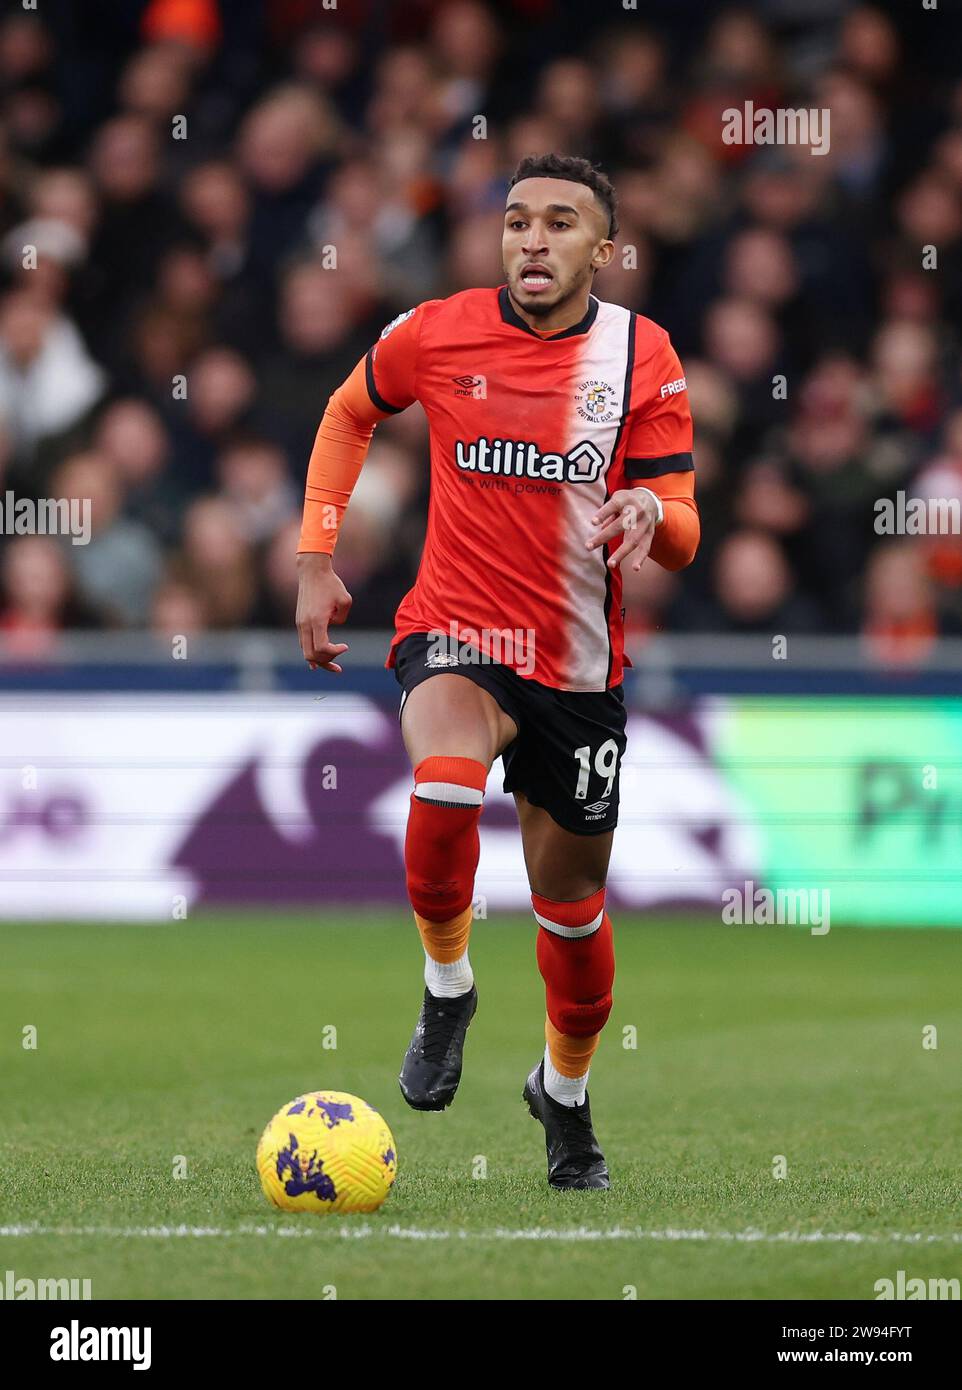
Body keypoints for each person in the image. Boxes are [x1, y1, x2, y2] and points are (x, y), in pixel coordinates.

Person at [295, 153, 699, 1189]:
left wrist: (653, 513)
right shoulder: (435, 331)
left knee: (571, 918)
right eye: (516, 220)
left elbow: (685, 524)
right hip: (455, 634)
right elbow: (349, 411)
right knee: (438, 785)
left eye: (560, 224)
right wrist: (315, 557)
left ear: (601, 251)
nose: (531, 239)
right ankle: (447, 986)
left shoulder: (642, 356)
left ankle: (561, 1095)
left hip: (575, 669)